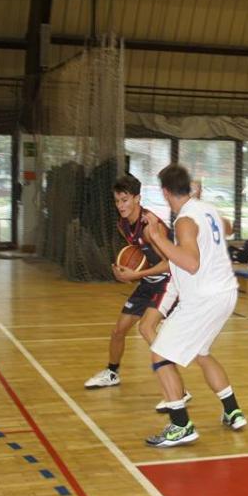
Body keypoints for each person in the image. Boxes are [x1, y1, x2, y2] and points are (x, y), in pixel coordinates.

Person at [140, 164, 246, 447]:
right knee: (202, 352)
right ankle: (232, 410)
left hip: (203, 299)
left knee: (160, 355)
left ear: (165, 192)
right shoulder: (207, 209)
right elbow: (228, 227)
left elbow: (190, 263)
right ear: (189, 187)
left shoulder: (184, 221)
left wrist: (157, 237)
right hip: (226, 294)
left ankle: (180, 425)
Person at [84, 174, 191, 412]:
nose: (120, 205)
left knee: (146, 328)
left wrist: (136, 274)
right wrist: (123, 270)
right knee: (118, 330)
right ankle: (112, 373)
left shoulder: (151, 226)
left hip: (168, 282)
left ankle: (179, 391)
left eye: (124, 200)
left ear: (137, 199)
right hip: (148, 282)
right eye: (117, 201)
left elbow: (170, 263)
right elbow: (138, 255)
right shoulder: (123, 224)